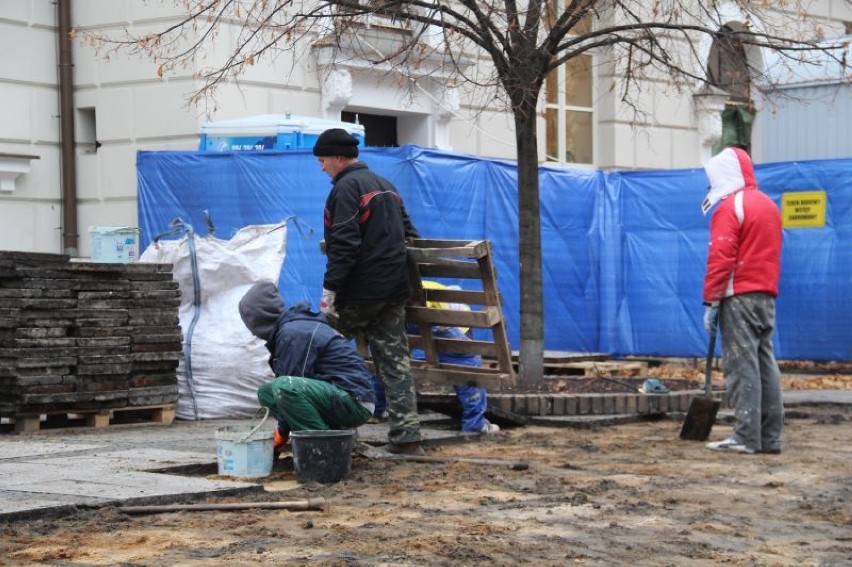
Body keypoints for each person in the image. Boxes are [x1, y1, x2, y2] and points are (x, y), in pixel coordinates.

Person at [313, 128, 424, 455]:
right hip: (393, 291)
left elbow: (344, 246)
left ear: (337, 157)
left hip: (360, 293)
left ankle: (329, 433)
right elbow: (411, 234)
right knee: (395, 363)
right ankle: (408, 439)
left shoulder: (347, 189)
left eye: (322, 161)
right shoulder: (387, 187)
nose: (322, 168)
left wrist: (330, 292)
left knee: (319, 349)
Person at [700, 146, 784, 455]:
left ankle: (746, 436)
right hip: (766, 294)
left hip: (739, 295)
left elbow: (721, 256)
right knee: (765, 364)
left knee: (741, 364)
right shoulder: (767, 205)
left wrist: (711, 301)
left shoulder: (729, 207)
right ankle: (770, 437)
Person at [238, 280, 376, 455]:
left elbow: (292, 387)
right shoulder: (290, 328)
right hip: (338, 394)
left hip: (355, 399)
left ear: (259, 318)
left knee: (283, 386)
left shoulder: (293, 334)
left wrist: (281, 434)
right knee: (267, 391)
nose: (252, 332)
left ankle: (323, 452)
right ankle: (332, 434)